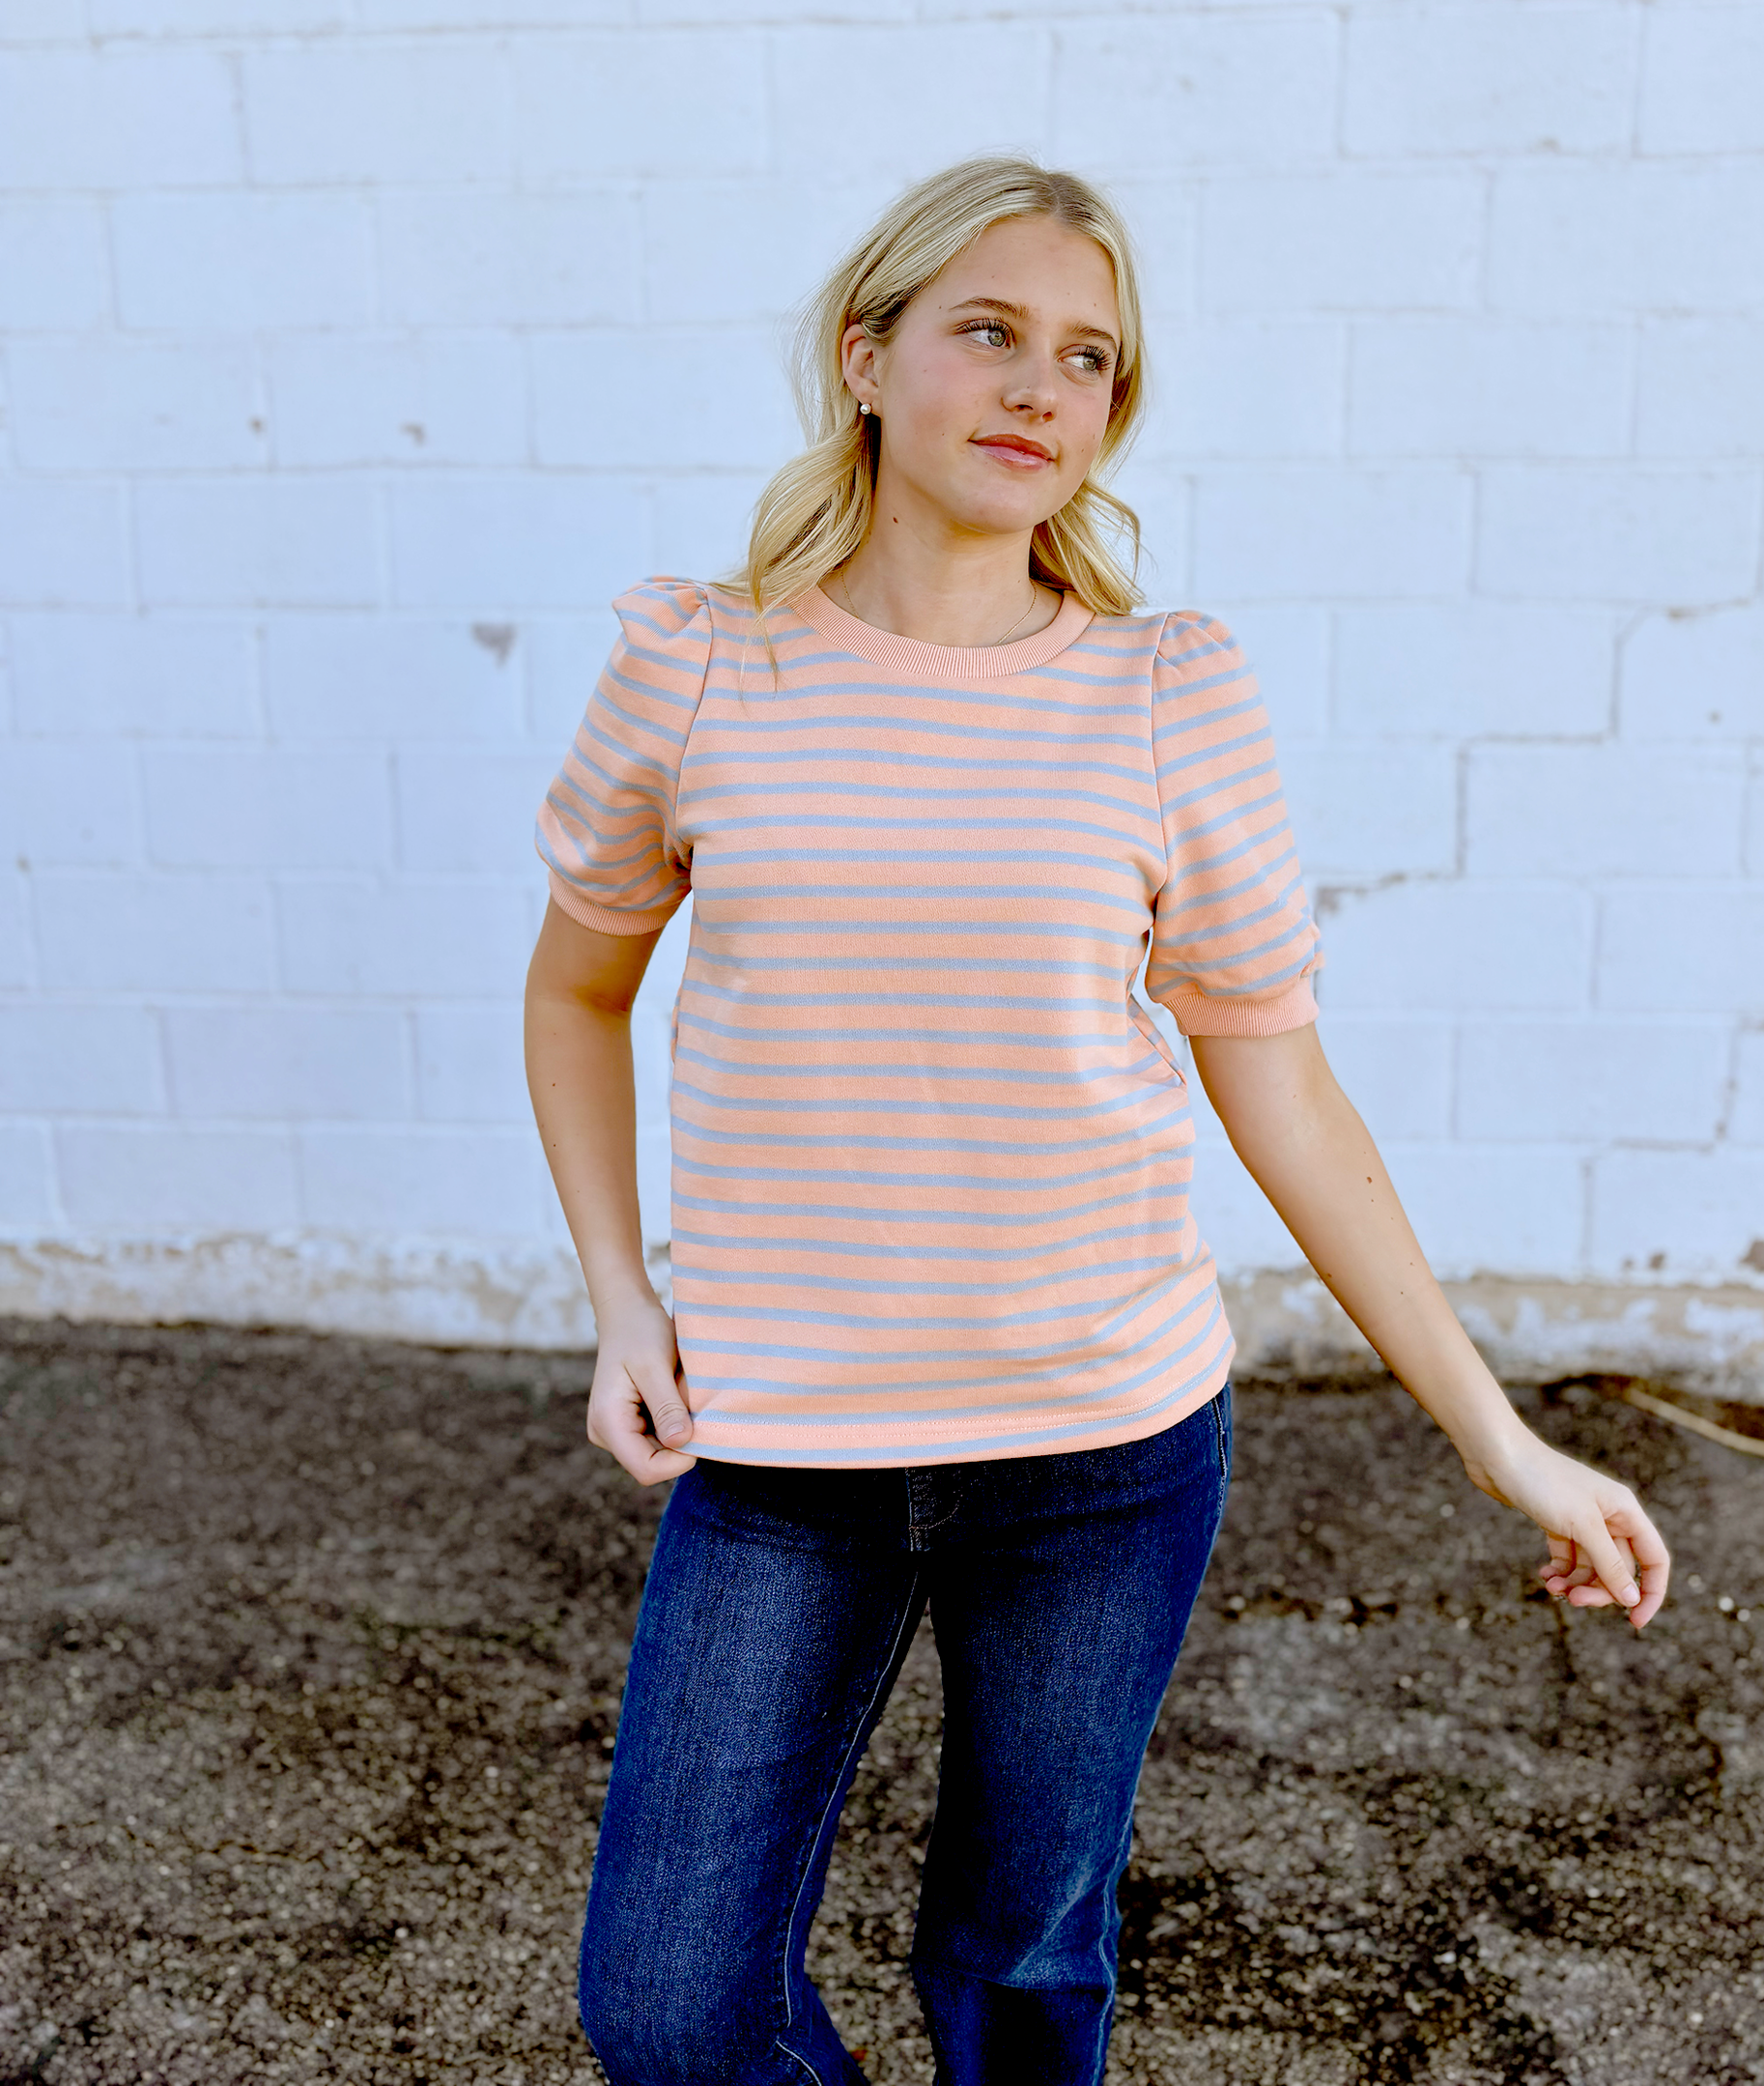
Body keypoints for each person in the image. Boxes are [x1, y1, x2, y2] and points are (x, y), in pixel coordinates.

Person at [523, 157, 1670, 2086]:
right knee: (668, 2003)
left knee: (1022, 1956)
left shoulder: (1165, 693)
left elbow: (1284, 1087)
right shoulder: (699, 661)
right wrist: (623, 1302)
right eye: (991, 331)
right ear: (865, 357)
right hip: (783, 1444)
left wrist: (1501, 1440)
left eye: (1090, 358)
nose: (1043, 387)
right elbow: (575, 989)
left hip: (1100, 1449)